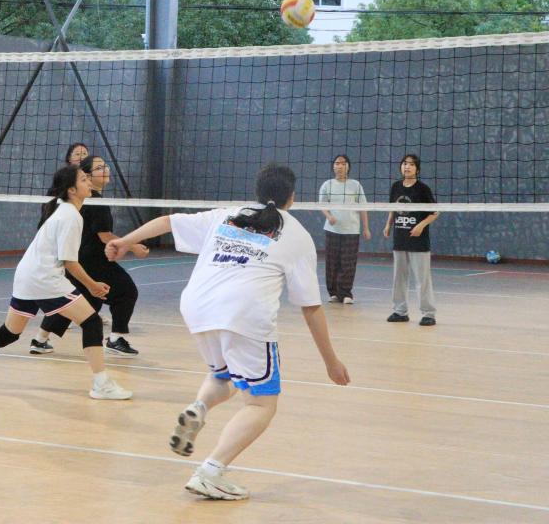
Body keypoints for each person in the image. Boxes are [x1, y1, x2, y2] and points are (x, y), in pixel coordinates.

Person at [106, 164, 350, 500]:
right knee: (261, 404)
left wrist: (124, 241)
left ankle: (199, 407)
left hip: (197, 305)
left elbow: (167, 222)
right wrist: (331, 362)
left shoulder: (227, 214)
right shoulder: (297, 235)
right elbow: (310, 308)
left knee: (224, 375)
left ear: (257, 191)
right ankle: (211, 472)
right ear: (292, 198)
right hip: (243, 313)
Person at [0, 165, 132, 400]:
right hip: (45, 278)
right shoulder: (70, 215)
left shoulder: (61, 208)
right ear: (72, 189)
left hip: (26, 276)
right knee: (92, 322)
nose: (89, 182)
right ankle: (101, 385)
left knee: (10, 332)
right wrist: (93, 285)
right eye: (84, 179)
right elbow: (69, 262)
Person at [29, 155, 147, 356]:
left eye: (105, 166)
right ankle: (116, 339)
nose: (106, 169)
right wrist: (133, 246)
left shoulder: (81, 200)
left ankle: (40, 339)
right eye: (99, 168)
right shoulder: (96, 201)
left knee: (78, 301)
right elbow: (105, 236)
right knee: (127, 292)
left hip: (78, 259)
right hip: (93, 261)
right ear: (87, 177)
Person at [383, 154, 438, 326]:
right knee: (399, 278)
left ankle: (428, 314)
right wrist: (388, 225)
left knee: (422, 279)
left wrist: (421, 225)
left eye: (411, 164)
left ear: (417, 169)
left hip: (418, 242)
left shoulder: (423, 189)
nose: (407, 167)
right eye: (405, 164)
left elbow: (435, 212)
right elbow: (393, 208)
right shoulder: (395, 187)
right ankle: (400, 311)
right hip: (400, 239)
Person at [318, 154, 371, 304]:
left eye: (343, 163)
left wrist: (366, 228)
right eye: (337, 163)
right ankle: (333, 293)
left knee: (348, 263)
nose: (340, 166)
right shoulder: (327, 184)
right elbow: (322, 205)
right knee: (331, 262)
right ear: (333, 166)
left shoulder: (356, 185)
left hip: (351, 230)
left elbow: (363, 208)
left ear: (348, 167)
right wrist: (329, 216)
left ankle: (346, 293)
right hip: (332, 230)